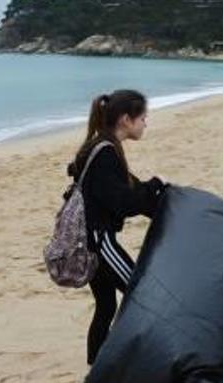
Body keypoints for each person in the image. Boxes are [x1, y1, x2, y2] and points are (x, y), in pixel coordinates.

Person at [70, 90, 167, 365]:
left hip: (91, 241)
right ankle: (137, 361)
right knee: (141, 294)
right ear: (126, 119)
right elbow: (123, 202)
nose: (145, 123)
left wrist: (159, 199)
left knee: (106, 305)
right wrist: (156, 185)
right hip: (99, 244)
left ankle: (96, 368)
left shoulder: (101, 145)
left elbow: (128, 187)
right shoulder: (105, 153)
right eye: (143, 118)